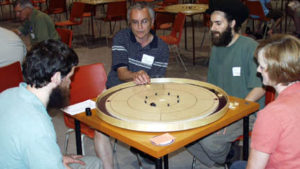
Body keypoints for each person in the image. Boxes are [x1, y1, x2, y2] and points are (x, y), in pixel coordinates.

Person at [186, 0, 265, 168]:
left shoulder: (250, 47)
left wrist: (232, 115)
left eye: (218, 23)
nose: (212, 28)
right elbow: (213, 87)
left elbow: (259, 88)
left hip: (248, 112)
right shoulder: (217, 47)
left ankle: (225, 157)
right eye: (211, 23)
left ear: (232, 23)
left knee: (209, 139)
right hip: (224, 109)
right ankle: (228, 156)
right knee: (185, 133)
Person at [0, 39, 102, 169]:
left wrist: (56, 159)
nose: (70, 83)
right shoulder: (38, 126)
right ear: (56, 77)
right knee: (94, 163)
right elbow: (35, 137)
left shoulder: (7, 94)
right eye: (69, 77)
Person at [94, 2, 169, 169]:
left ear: (152, 22)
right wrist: (135, 75)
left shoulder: (162, 48)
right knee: (100, 132)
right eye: (135, 22)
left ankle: (142, 147)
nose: (140, 27)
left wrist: (143, 88)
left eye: (144, 22)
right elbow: (121, 72)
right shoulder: (121, 37)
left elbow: (157, 83)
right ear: (129, 23)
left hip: (144, 96)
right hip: (115, 91)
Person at [230, 34, 300, 169]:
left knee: (237, 165)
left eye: (262, 67)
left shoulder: (271, 115)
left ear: (277, 70)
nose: (258, 70)